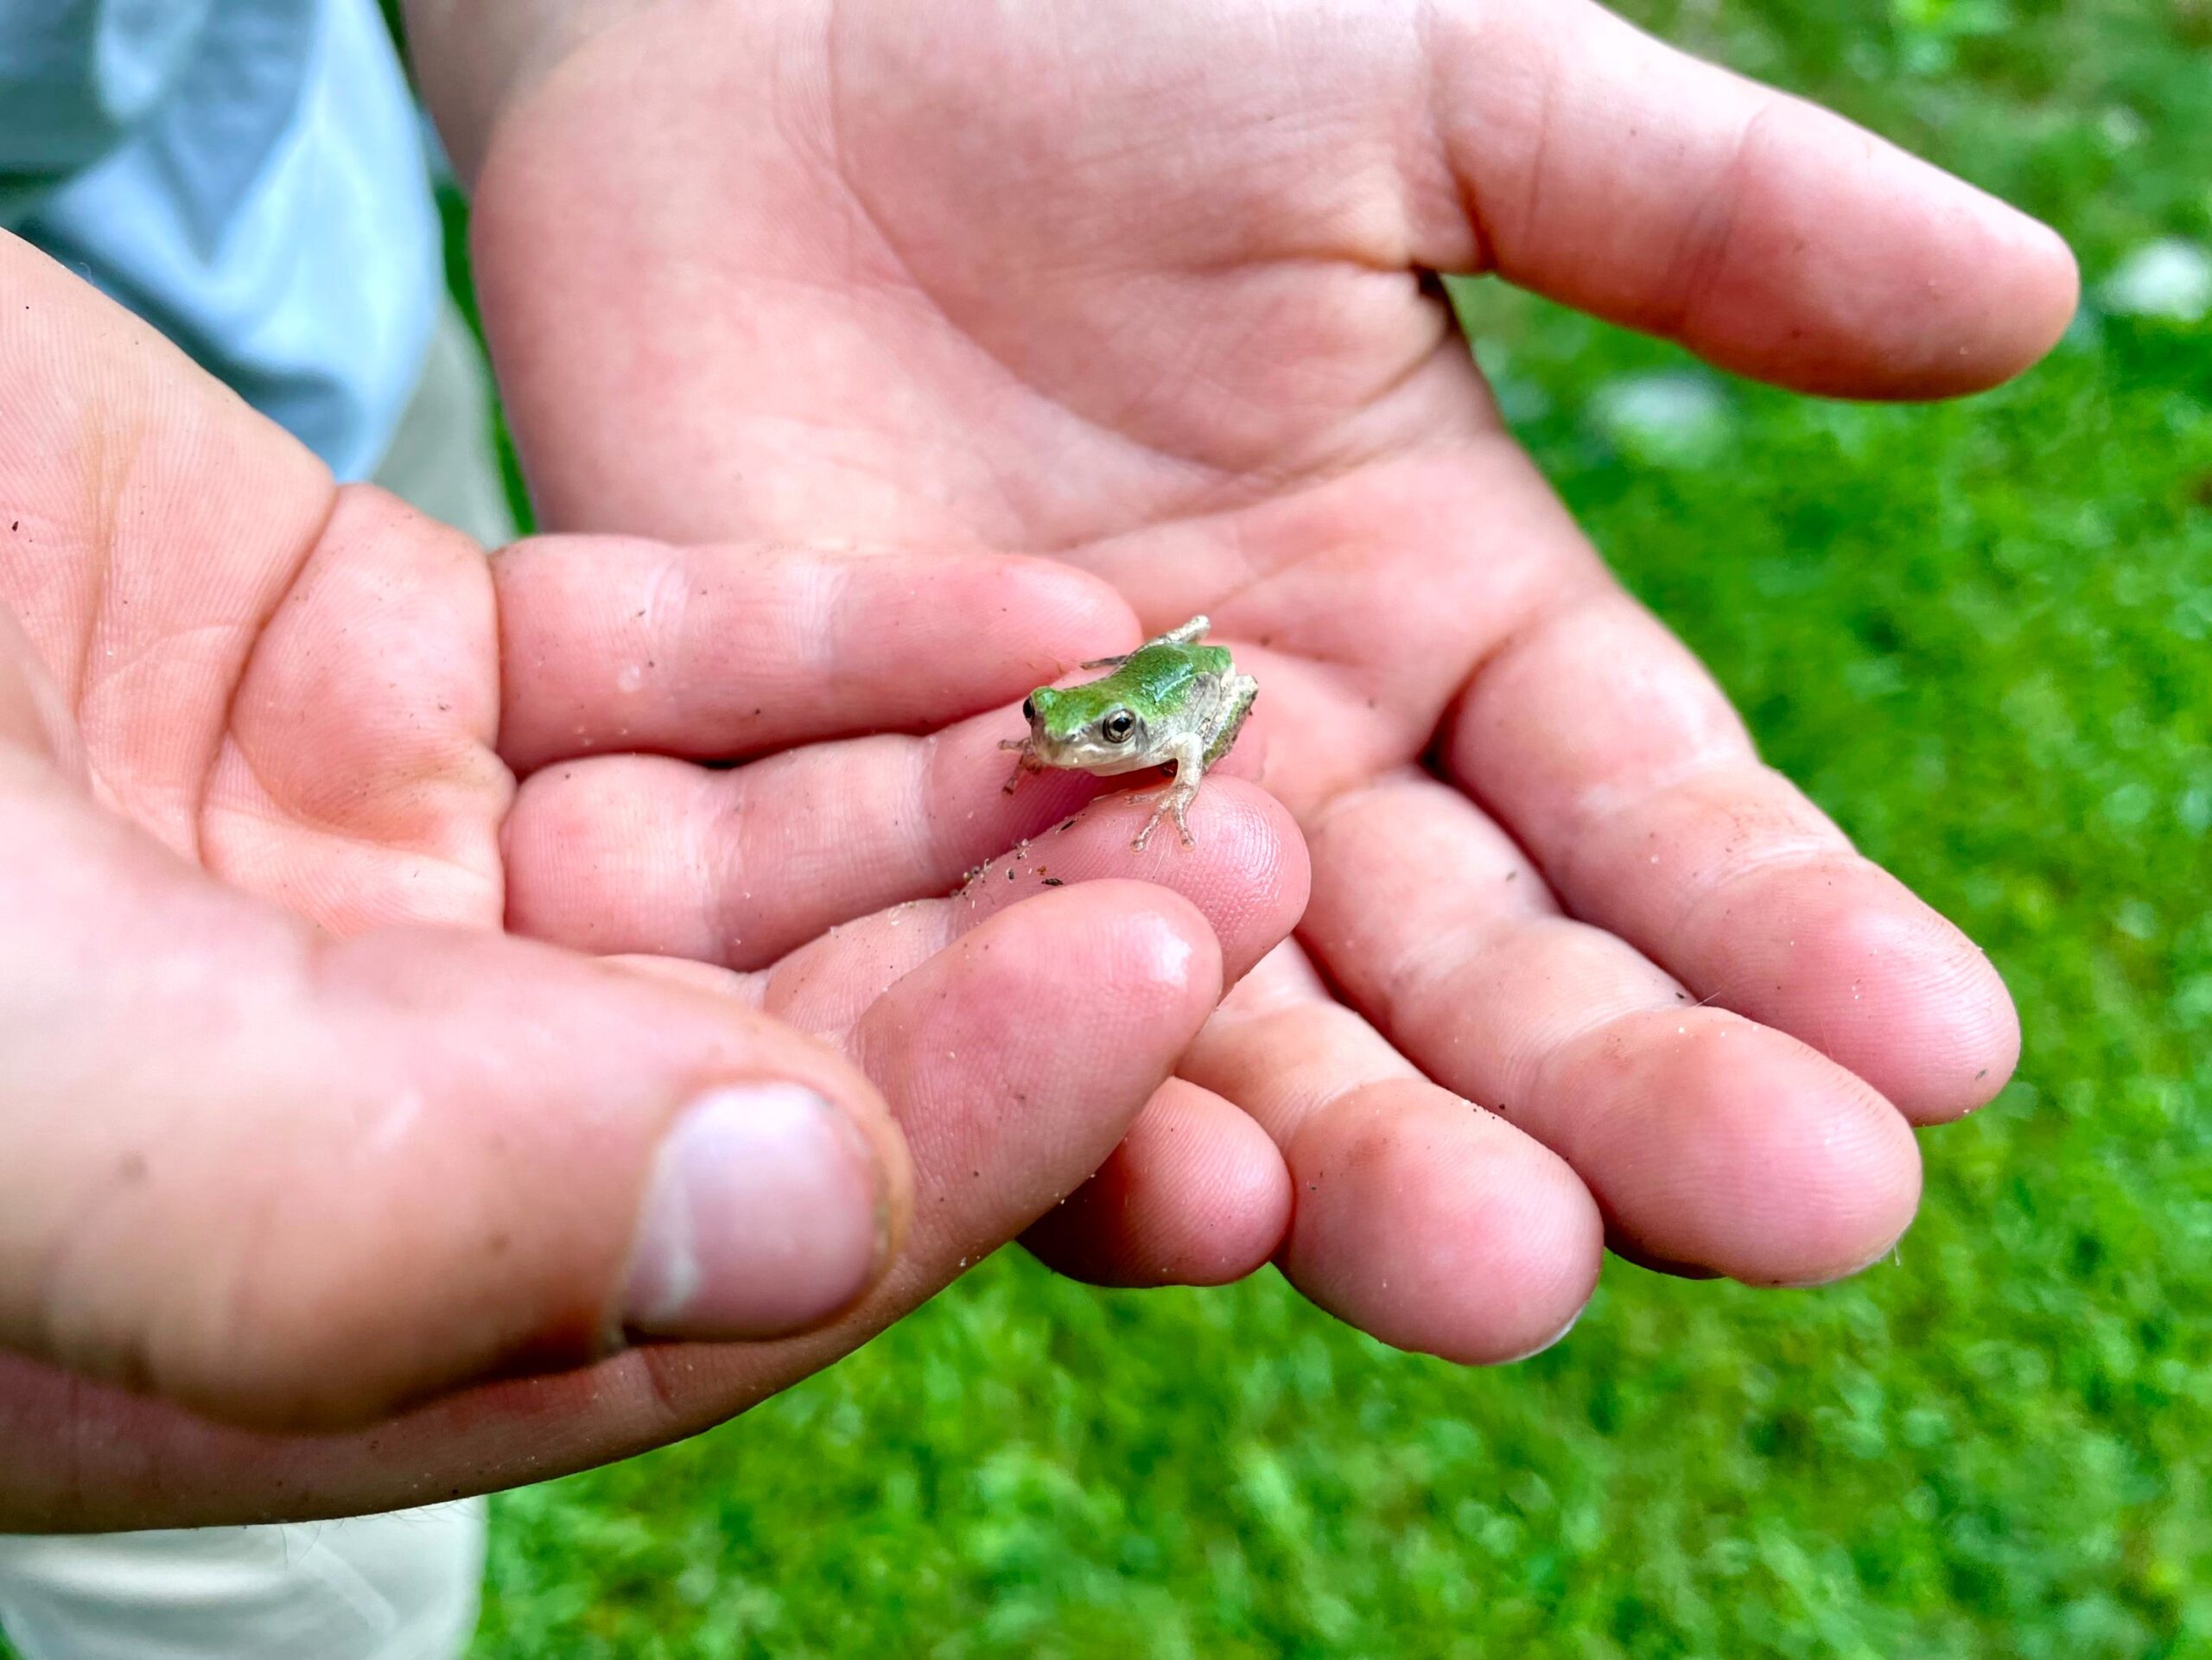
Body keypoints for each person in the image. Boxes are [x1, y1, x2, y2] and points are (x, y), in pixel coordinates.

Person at [0, 0, 2077, 1653]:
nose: (1055, 734)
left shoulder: (1126, 720)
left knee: (304, 1539)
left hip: (314, 385)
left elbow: (1168, 713)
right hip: (180, 598)